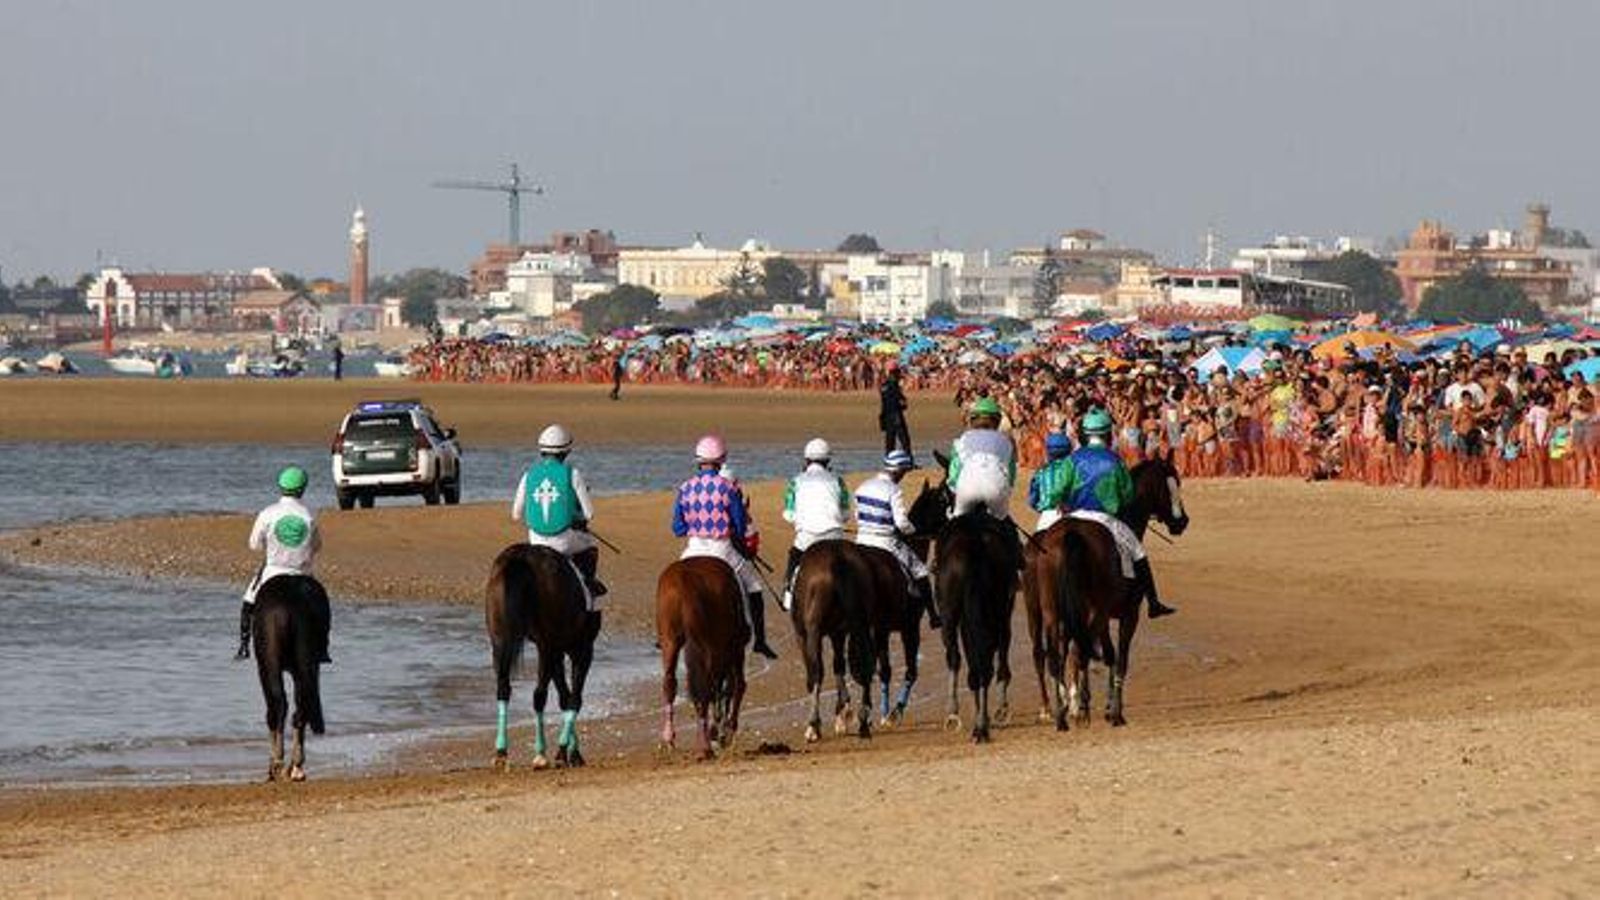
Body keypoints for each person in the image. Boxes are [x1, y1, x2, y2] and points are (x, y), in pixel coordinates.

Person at [1060, 408, 1177, 619]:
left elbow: (1060, 490)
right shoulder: (1114, 461)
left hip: (1072, 516)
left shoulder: (1072, 459)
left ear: (1085, 434)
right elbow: (1127, 495)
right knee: (1138, 552)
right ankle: (1153, 601)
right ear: (1107, 434)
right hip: (1105, 519)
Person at [671, 435, 777, 659]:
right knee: (754, 586)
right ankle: (760, 640)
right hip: (722, 549)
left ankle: (667, 634)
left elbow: (678, 529)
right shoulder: (728, 487)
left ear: (698, 460)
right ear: (721, 459)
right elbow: (739, 526)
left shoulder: (685, 487)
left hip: (693, 549)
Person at [237, 465, 327, 661]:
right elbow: (317, 546)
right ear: (303, 488)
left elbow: (254, 545)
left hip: (273, 571)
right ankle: (322, 647)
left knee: (248, 601)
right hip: (302, 573)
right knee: (321, 604)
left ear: (280, 487)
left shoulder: (268, 513)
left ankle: (243, 645)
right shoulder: (309, 515)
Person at [510, 424, 605, 604]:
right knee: (592, 544)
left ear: (541, 450)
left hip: (535, 540)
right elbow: (589, 514)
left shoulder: (528, 474)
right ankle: (589, 587)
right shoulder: (573, 473)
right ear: (567, 451)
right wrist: (575, 517)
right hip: (564, 541)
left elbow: (516, 514)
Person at [854, 449, 939, 628]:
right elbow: (901, 523)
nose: (903, 476)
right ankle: (933, 615)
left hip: (861, 541)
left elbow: (858, 514)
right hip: (886, 542)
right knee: (920, 571)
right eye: (904, 472)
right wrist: (913, 531)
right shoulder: (893, 490)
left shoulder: (863, 486)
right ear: (898, 470)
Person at [780, 438, 849, 610]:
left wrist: (801, 519)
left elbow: (788, 515)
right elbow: (846, 514)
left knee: (794, 558)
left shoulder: (795, 481)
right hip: (835, 535)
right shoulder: (839, 481)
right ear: (828, 460)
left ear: (806, 460)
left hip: (807, 537)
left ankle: (788, 596)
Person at [946, 396, 1017, 519]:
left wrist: (954, 490)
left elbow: (953, 476)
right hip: (996, 490)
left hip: (967, 490)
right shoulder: (1007, 442)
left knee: (955, 521)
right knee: (1003, 524)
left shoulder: (962, 440)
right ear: (997, 420)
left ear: (973, 419)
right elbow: (1011, 476)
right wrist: (1006, 492)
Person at [1027, 431, 1075, 533]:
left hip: (1047, 518)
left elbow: (1032, 501)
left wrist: (1042, 507)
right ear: (1069, 450)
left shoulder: (1040, 473)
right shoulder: (1076, 471)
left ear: (1048, 451)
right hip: (1072, 515)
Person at [879, 362, 913, 460]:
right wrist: (903, 404)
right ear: (894, 374)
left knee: (890, 441)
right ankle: (908, 459)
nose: (899, 376)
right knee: (904, 440)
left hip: (887, 416)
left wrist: (882, 418)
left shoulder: (884, 386)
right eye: (898, 374)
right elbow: (898, 401)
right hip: (896, 415)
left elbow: (884, 403)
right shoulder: (893, 385)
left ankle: (888, 460)